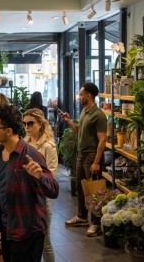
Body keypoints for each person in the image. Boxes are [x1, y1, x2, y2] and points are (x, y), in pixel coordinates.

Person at [0, 105, 59, 262]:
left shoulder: (31, 155)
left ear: (8, 131)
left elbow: (54, 190)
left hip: (27, 232)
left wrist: (39, 176)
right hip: (6, 229)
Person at [60, 82, 107, 237]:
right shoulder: (85, 112)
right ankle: (81, 217)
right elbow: (79, 131)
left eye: (81, 94)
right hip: (81, 154)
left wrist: (96, 162)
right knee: (80, 188)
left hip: (92, 156)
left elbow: (102, 140)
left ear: (88, 95)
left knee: (94, 191)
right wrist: (69, 121)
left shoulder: (98, 115)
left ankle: (95, 224)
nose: (79, 97)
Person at [23, 108, 58, 262]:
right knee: (29, 241)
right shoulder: (24, 143)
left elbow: (51, 175)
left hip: (42, 198)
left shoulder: (48, 146)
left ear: (40, 124)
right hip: (26, 198)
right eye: (24, 124)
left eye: (30, 123)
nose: (27, 127)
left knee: (45, 241)